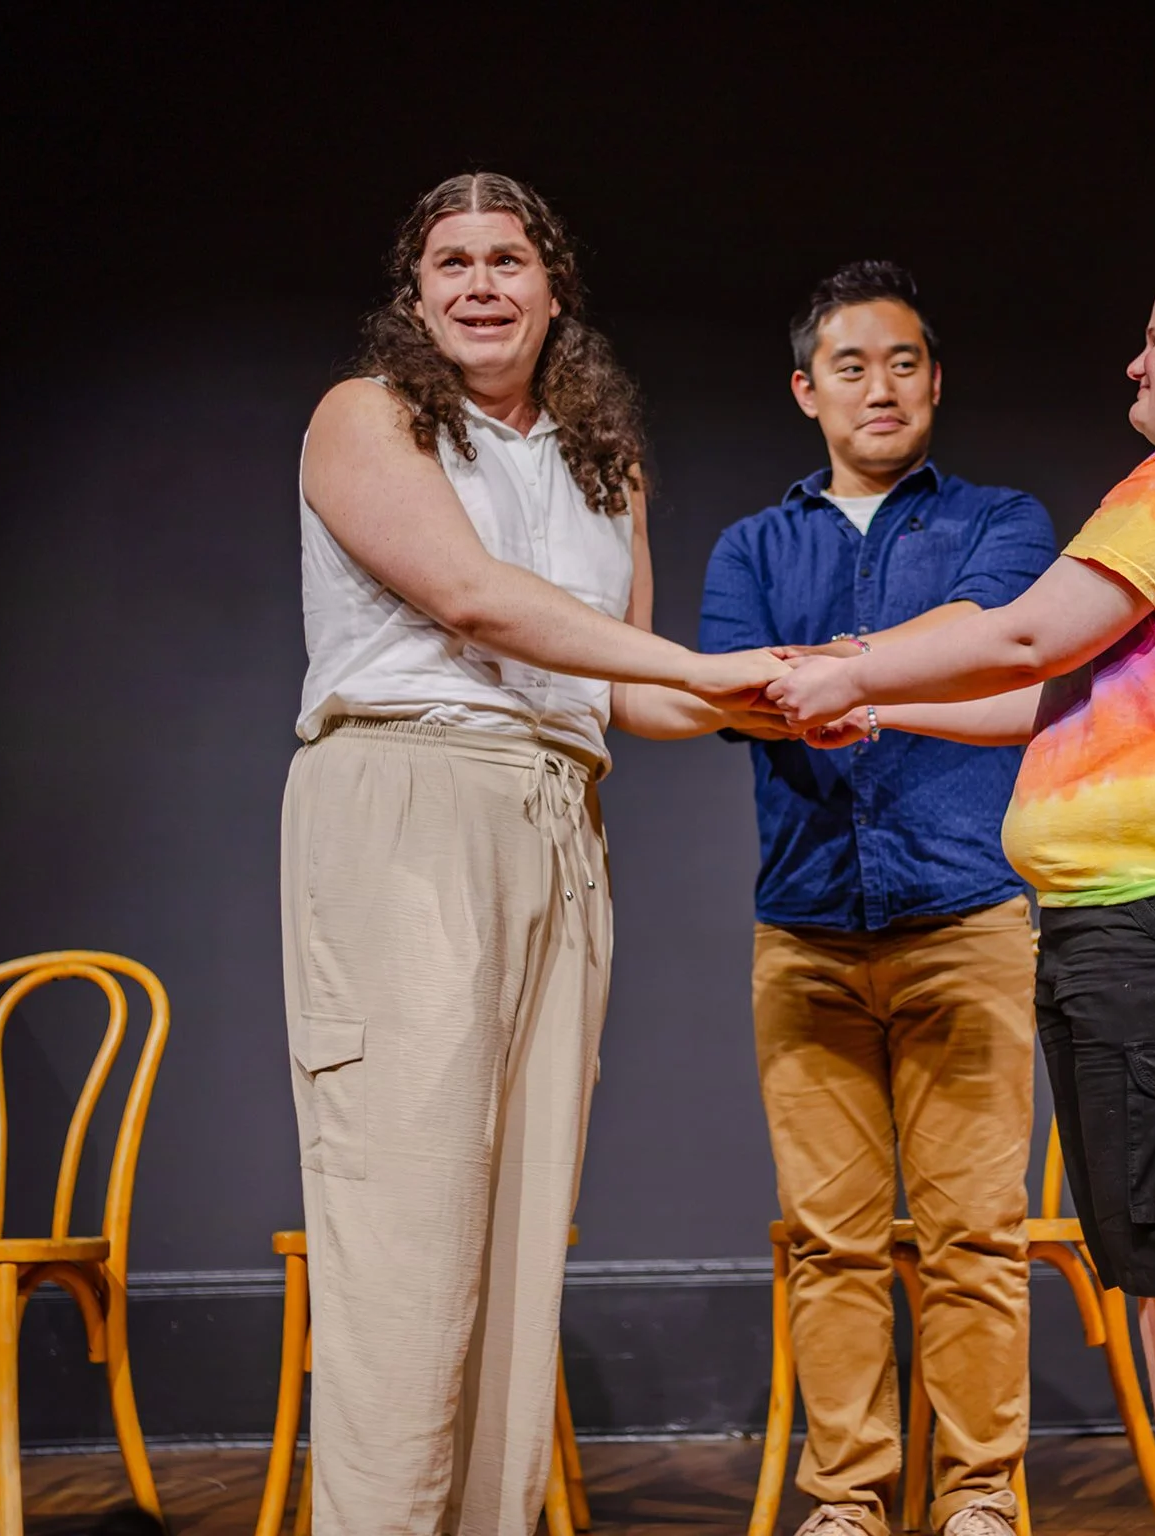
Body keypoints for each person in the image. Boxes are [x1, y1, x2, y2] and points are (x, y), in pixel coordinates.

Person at [767, 252, 1155, 1536]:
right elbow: (1046, 690)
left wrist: (847, 664)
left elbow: (1023, 633)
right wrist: (878, 695)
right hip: (1134, 919)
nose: (1133, 359)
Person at [283, 172, 783, 1536]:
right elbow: (471, 598)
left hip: (562, 811)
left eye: (509, 258)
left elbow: (634, 692)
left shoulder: (599, 459)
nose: (481, 283)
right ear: (417, 291)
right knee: (409, 1222)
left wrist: (794, 695)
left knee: (516, 1229)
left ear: (555, 289)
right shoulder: (366, 417)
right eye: (451, 261)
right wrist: (710, 664)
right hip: (412, 794)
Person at [699, 262, 1057, 1536]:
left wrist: (831, 668)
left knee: (975, 1240)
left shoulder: (1000, 522)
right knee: (829, 1240)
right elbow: (728, 691)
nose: (881, 385)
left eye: (904, 361)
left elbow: (1003, 644)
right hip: (802, 933)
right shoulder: (753, 543)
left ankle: (977, 1502)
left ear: (935, 380)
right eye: (851, 365)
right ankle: (846, 1501)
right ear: (807, 390)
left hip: (964, 917)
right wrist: (903, 656)